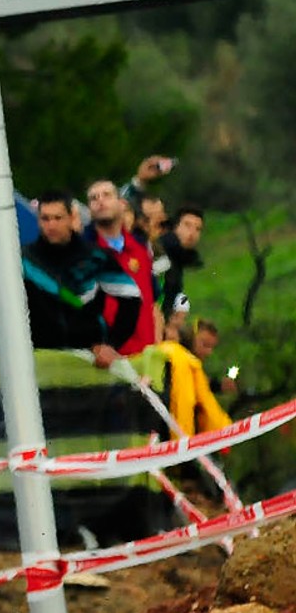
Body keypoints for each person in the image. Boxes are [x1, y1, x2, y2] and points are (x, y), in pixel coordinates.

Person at [20, 190, 142, 367]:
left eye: (58, 218)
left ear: (71, 218)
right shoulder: (23, 260)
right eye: (45, 219)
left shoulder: (96, 257)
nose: (51, 225)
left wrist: (112, 345)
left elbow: (131, 299)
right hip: (40, 362)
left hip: (89, 363)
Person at [85, 178, 156, 354]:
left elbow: (151, 303)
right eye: (94, 198)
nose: (100, 201)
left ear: (122, 204)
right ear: (89, 210)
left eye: (107, 195)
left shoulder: (140, 249)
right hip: (108, 357)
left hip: (145, 355)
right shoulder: (84, 254)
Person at [158, 316, 231, 437]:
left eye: (212, 347)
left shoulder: (193, 365)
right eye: (205, 344)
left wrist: (217, 385)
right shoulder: (178, 356)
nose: (208, 352)